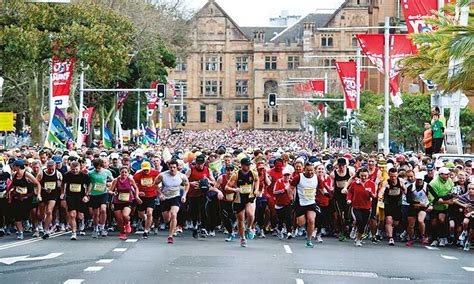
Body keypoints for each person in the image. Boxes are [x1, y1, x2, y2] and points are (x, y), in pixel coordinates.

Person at [225, 157, 260, 247]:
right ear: (242, 165)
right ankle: (242, 238)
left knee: (250, 214)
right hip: (239, 199)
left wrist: (256, 189)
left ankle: (249, 228)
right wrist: (235, 189)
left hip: (250, 197)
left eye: (249, 165)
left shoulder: (253, 173)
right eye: (246, 165)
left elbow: (257, 180)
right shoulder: (236, 175)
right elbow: (227, 187)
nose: (248, 167)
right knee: (240, 220)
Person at [155, 159, 189, 244]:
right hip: (165, 198)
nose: (172, 169)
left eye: (174, 167)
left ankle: (170, 236)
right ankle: (172, 225)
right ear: (168, 167)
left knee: (174, 214)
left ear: (177, 167)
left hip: (175, 197)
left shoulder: (182, 176)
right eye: (171, 167)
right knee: (167, 219)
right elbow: (155, 184)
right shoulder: (162, 175)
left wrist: (184, 195)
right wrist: (160, 194)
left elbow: (187, 185)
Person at [7, 160, 41, 240]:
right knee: (17, 215)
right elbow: (12, 184)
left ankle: (36, 228)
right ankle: (20, 233)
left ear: (18, 166)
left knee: (32, 214)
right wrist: (7, 192)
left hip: (28, 198)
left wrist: (38, 194)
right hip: (18, 198)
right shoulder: (14, 174)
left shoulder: (27, 174)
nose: (12, 167)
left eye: (14, 166)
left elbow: (37, 184)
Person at [186, 154, 215, 239]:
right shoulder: (191, 170)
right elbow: (184, 180)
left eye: (201, 163)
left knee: (204, 210)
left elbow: (213, 181)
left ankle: (203, 228)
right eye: (198, 163)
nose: (199, 165)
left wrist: (208, 181)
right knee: (193, 211)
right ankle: (195, 226)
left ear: (204, 163)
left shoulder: (208, 170)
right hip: (193, 193)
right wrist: (190, 183)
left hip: (203, 193)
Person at [290, 162, 318, 248]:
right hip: (300, 203)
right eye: (308, 170)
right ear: (304, 170)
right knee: (301, 223)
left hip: (311, 202)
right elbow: (290, 188)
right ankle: (304, 227)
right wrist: (291, 197)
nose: (310, 172)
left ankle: (309, 240)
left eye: (312, 170)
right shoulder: (299, 177)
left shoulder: (316, 178)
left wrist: (326, 193)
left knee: (311, 220)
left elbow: (322, 188)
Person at [61, 161, 91, 240]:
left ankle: (82, 223)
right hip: (70, 196)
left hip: (81, 196)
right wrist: (62, 193)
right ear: (70, 168)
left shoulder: (84, 176)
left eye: (76, 169)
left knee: (80, 215)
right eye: (73, 169)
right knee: (72, 215)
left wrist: (87, 194)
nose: (75, 171)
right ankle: (73, 232)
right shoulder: (67, 175)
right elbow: (63, 184)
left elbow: (89, 184)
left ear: (80, 168)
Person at [347, 168, 376, 247]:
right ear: (359, 175)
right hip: (356, 206)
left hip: (366, 207)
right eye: (362, 176)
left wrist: (370, 193)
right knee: (358, 220)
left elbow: (374, 196)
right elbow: (350, 192)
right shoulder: (354, 183)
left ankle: (358, 239)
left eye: (365, 176)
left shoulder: (371, 184)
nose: (363, 177)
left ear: (368, 175)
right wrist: (349, 199)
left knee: (363, 224)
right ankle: (354, 227)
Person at [109, 167, 141, 240]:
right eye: (122, 172)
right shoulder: (116, 180)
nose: (124, 174)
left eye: (125, 172)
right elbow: (110, 190)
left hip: (127, 200)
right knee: (119, 219)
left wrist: (136, 196)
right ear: (120, 172)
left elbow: (136, 188)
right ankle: (122, 233)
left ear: (128, 173)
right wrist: (113, 193)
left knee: (125, 215)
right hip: (117, 200)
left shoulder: (130, 180)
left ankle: (127, 223)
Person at [87, 158, 113, 238]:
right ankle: (95, 228)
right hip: (94, 194)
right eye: (96, 168)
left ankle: (102, 227)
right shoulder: (90, 173)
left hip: (103, 193)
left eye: (99, 167)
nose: (98, 169)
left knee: (103, 209)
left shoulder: (107, 172)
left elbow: (114, 181)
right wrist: (87, 193)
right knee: (96, 213)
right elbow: (90, 184)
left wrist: (109, 184)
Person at [36, 160, 62, 239]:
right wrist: (42, 190)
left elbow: (61, 184)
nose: (51, 171)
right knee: (42, 213)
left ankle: (46, 230)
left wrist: (60, 191)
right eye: (49, 169)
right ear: (46, 167)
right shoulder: (41, 173)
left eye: (52, 169)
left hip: (53, 194)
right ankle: (42, 222)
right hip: (43, 194)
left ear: (55, 167)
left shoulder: (58, 174)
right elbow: (36, 183)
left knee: (49, 211)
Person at [428, 167, 454, 247]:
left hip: (444, 206)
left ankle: (443, 237)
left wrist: (446, 198)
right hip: (434, 205)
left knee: (442, 220)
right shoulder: (433, 183)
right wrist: (445, 198)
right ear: (440, 174)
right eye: (446, 174)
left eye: (448, 174)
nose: (448, 176)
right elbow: (436, 198)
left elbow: (452, 194)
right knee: (434, 222)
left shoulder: (450, 181)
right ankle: (434, 239)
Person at [133, 161, 159, 239]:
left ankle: (146, 231)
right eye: (144, 170)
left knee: (149, 213)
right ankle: (146, 219)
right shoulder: (137, 175)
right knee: (141, 214)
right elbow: (134, 186)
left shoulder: (156, 173)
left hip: (151, 195)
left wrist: (158, 189)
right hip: (142, 197)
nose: (146, 171)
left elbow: (161, 180)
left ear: (150, 168)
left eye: (147, 169)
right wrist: (137, 193)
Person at [381, 167, 406, 246]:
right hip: (388, 203)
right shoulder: (386, 182)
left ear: (397, 175)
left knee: (395, 223)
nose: (393, 178)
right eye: (391, 176)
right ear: (389, 175)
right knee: (389, 220)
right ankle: (390, 238)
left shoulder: (401, 181)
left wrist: (403, 189)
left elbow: (405, 191)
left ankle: (391, 230)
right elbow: (382, 190)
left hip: (397, 204)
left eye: (395, 176)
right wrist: (381, 194)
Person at [405, 172, 430, 246]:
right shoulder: (410, 187)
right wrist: (418, 202)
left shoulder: (427, 186)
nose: (419, 181)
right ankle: (411, 239)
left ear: (423, 180)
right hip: (413, 207)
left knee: (420, 220)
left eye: (421, 180)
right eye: (418, 180)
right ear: (416, 179)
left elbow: (435, 196)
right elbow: (408, 200)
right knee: (411, 225)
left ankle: (423, 236)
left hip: (423, 207)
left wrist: (430, 204)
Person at [216, 164, 237, 242]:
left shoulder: (236, 178)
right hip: (224, 200)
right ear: (225, 171)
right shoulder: (221, 178)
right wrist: (219, 192)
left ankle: (236, 227)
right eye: (228, 170)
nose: (230, 172)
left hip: (235, 200)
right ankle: (230, 233)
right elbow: (214, 187)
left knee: (233, 217)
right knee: (225, 217)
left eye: (231, 170)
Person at [272, 168, 293, 240]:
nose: (287, 177)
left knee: (288, 217)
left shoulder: (291, 182)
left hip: (288, 203)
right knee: (281, 219)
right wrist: (283, 190)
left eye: (288, 175)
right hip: (279, 204)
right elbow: (274, 192)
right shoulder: (279, 181)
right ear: (282, 176)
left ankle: (289, 232)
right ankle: (280, 230)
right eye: (285, 175)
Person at [453, 183, 474, 251]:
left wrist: (471, 212)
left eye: (473, 189)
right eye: (469, 189)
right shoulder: (465, 196)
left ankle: (468, 242)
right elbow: (455, 200)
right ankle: (464, 231)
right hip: (468, 214)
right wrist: (463, 205)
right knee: (465, 222)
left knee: (472, 231)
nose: (471, 190)